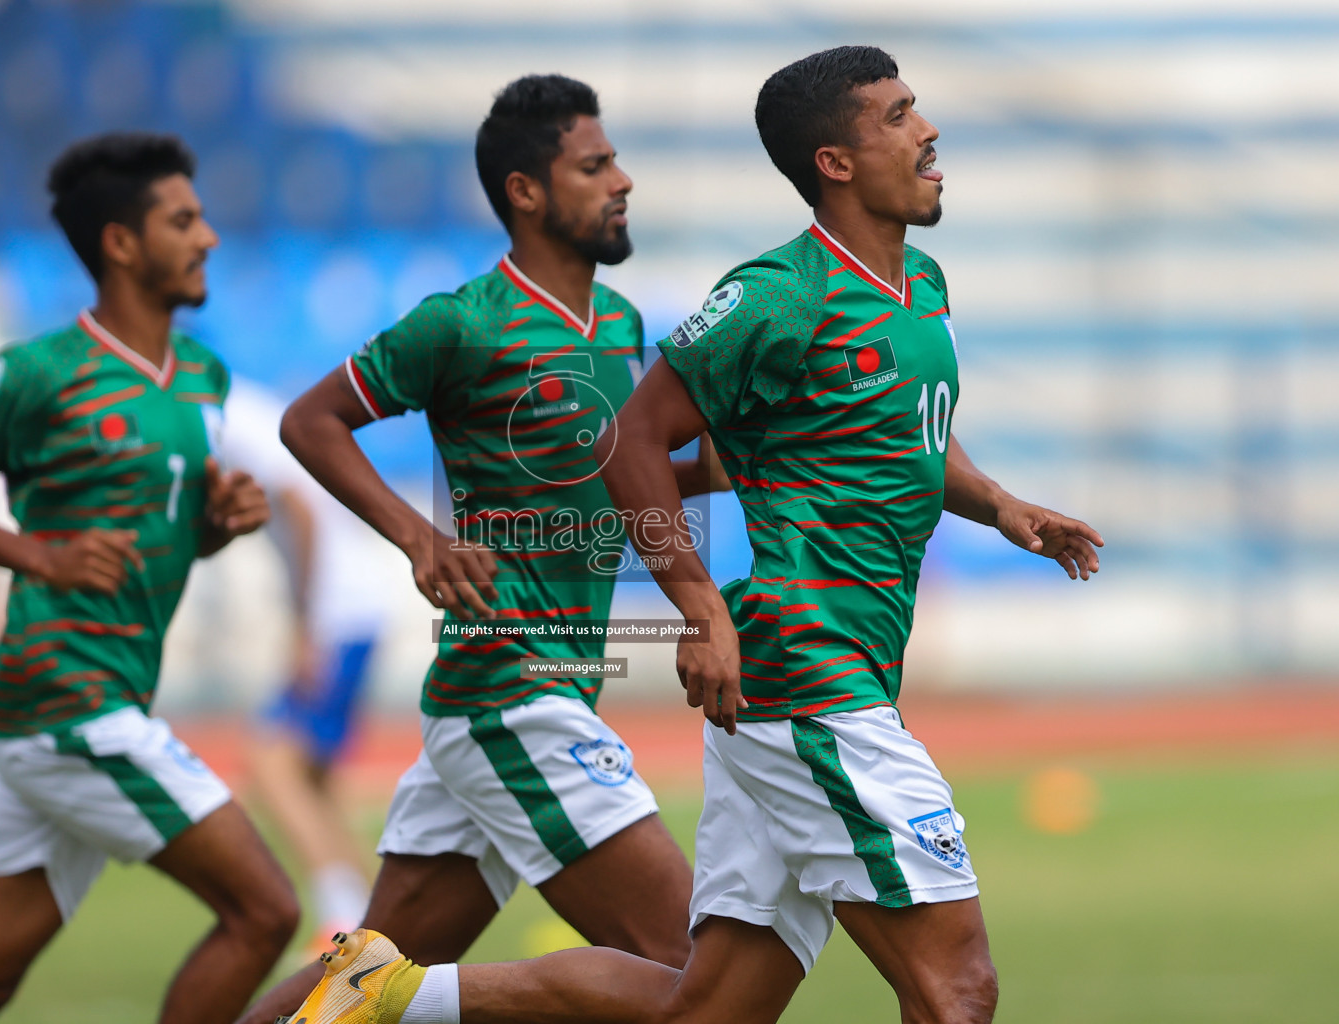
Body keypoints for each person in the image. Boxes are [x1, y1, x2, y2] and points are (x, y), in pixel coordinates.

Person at [279, 45, 1105, 1024]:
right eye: (897, 116)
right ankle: (394, 994)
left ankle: (393, 996)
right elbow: (625, 440)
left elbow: (894, 437)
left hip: (726, 680)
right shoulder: (754, 297)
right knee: (949, 987)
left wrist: (1001, 504)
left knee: (698, 1005)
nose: (926, 131)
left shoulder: (904, 289)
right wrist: (694, 603)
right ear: (834, 161)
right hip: (742, 676)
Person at [239, 74, 729, 1024]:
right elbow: (312, 422)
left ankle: (382, 994)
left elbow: (618, 483)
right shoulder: (462, 323)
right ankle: (403, 1002)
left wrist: (729, 463)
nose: (622, 180)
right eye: (595, 165)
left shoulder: (620, 326)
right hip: (517, 698)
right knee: (693, 975)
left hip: (508, 701)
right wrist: (419, 539)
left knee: (356, 974)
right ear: (527, 192)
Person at [0, 132, 300, 1024]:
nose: (208, 237)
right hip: (69, 698)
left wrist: (215, 530)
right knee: (266, 913)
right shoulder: (39, 372)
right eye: (184, 220)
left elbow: (157, 537)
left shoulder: (205, 380)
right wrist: (40, 555)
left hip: (96, 703)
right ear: (120, 243)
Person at [221, 377, 386, 943]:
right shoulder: (239, 409)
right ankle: (375, 923)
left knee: (271, 763)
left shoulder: (227, 416)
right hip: (356, 608)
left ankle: (341, 921)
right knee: (313, 780)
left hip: (337, 614)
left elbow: (300, 505)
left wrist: (304, 625)